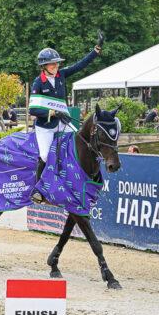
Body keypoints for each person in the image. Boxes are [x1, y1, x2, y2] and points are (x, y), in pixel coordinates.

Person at [29, 32, 103, 203]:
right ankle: (38, 190)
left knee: (83, 143)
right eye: (52, 64)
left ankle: (92, 178)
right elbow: (33, 109)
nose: (55, 65)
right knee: (46, 156)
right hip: (45, 126)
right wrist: (51, 112)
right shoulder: (38, 83)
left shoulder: (61, 75)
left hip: (63, 122)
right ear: (44, 66)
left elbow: (79, 65)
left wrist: (96, 50)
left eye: (56, 63)